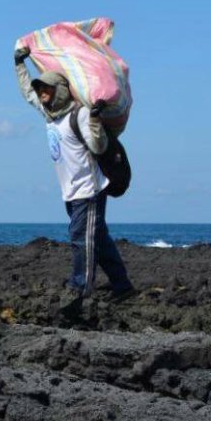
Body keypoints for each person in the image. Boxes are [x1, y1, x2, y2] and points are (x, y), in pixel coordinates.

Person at [15, 46, 136, 302]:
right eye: (41, 89)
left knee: (81, 237)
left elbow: (98, 146)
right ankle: (122, 286)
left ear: (59, 89)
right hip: (70, 191)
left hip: (89, 189)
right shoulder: (51, 116)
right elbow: (27, 93)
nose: (42, 93)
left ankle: (80, 288)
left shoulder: (78, 113)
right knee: (98, 239)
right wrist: (19, 64)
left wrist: (93, 120)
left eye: (47, 88)